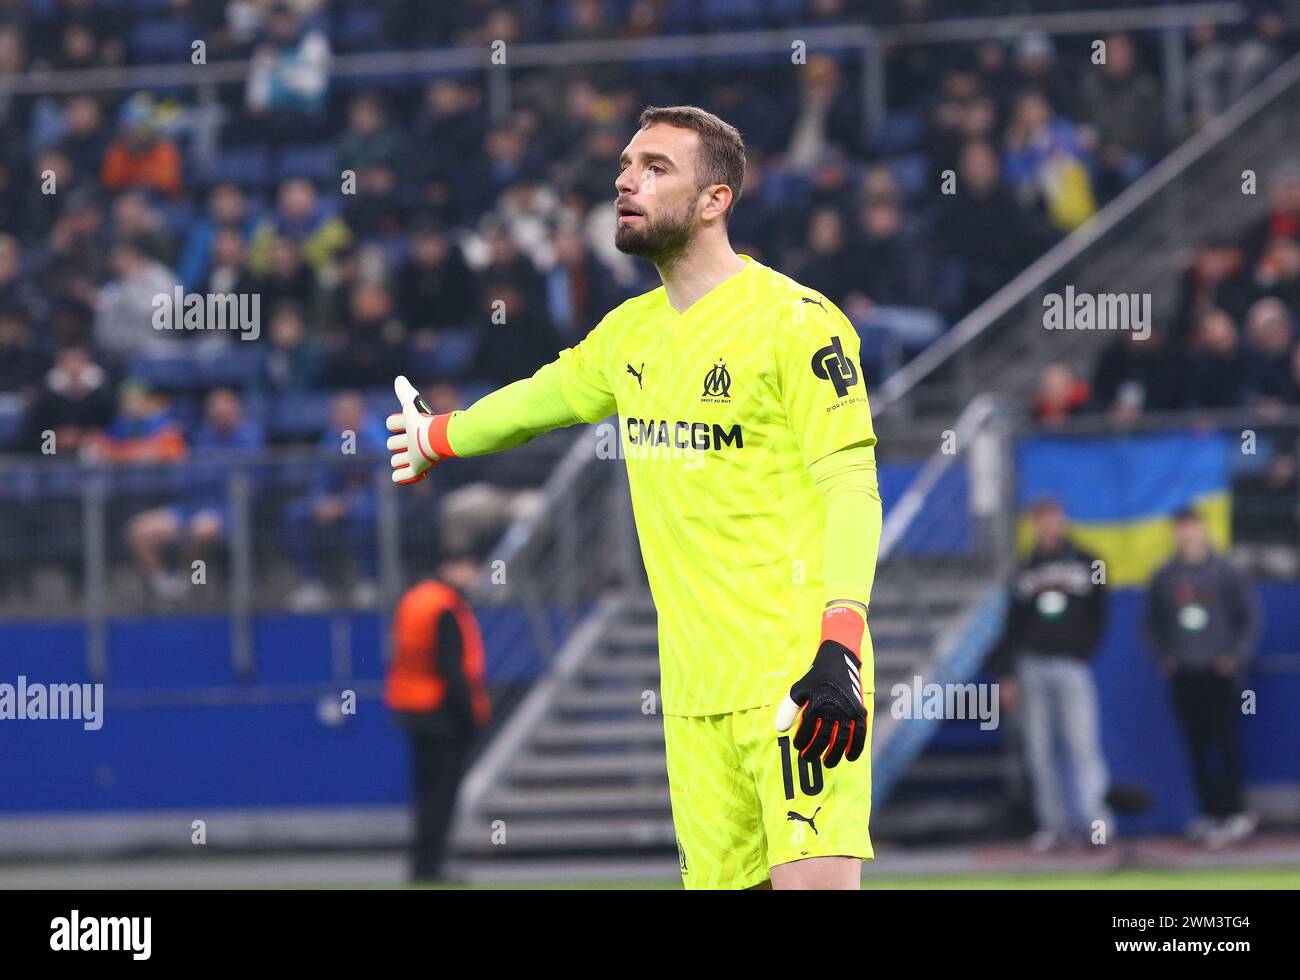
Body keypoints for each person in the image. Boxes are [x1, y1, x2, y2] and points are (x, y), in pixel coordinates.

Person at [386, 106, 881, 890]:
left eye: (656, 168)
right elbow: (538, 399)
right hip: (691, 697)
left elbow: (851, 484)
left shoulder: (796, 322)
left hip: (796, 676)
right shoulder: (629, 336)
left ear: (715, 200)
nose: (625, 180)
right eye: (625, 165)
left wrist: (840, 643)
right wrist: (438, 436)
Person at [992, 497, 1111, 851]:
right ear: (1033, 524)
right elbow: (1010, 624)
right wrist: (1008, 673)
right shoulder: (1025, 568)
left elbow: (1100, 613)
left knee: (1082, 745)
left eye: (1052, 518)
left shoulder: (1087, 561)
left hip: (1071, 664)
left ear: (1061, 521)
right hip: (1032, 665)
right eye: (1040, 520)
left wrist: (1082, 652)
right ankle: (1052, 825)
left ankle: (1096, 823)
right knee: (1039, 750)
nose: (1047, 526)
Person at [1144, 509, 1260, 847]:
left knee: (1226, 743)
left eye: (1194, 529)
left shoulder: (1227, 571)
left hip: (1219, 671)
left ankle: (1235, 812)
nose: (1188, 535)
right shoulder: (1164, 575)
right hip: (1186, 671)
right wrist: (1163, 657)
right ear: (1175, 534)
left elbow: (1249, 617)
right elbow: (1151, 624)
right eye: (1182, 530)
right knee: (1195, 744)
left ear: (1204, 531)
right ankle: (1207, 813)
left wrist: (1235, 656)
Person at [385, 554, 491, 883]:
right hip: (440, 712)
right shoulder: (445, 606)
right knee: (440, 797)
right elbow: (452, 668)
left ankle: (423, 864)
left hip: (413, 708)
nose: (472, 574)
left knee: (427, 794)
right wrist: (471, 715)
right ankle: (429, 868)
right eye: (467, 567)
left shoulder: (417, 598)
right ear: (449, 568)